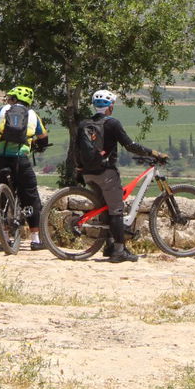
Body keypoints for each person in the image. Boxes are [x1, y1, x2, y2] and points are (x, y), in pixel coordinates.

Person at [78, 88, 168, 264]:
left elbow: (76, 150)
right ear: (110, 106)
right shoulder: (112, 123)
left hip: (88, 173)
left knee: (105, 207)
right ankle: (119, 251)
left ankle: (109, 245)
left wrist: (79, 170)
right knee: (117, 210)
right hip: (106, 173)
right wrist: (153, 153)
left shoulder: (84, 124)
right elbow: (129, 145)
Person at [0, 86, 49, 249]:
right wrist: (37, 145)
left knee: (0, 197)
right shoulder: (33, 116)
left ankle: (5, 235)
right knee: (30, 195)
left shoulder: (1, 111)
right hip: (21, 160)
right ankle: (35, 239)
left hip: (0, 159)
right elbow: (44, 139)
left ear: (13, 99)